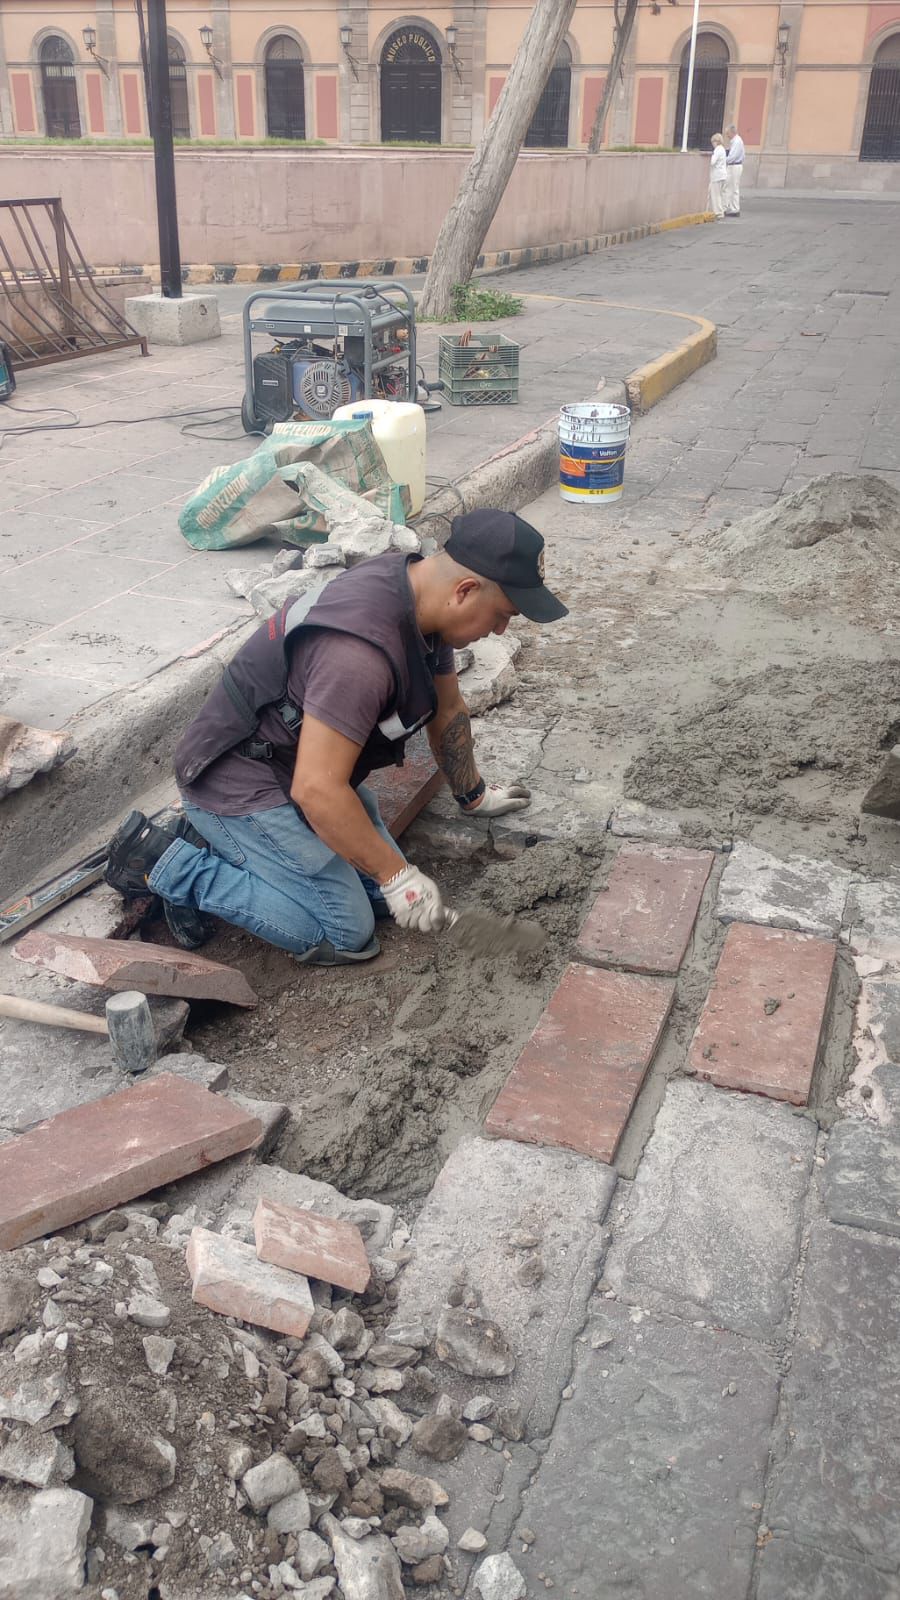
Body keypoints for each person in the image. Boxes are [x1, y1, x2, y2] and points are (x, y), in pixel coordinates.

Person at [105, 509, 568, 965]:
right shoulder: (358, 655)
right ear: (465, 591)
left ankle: (249, 850)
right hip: (235, 780)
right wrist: (397, 877)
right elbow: (317, 789)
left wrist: (473, 794)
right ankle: (168, 862)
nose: (502, 629)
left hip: (298, 766)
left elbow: (447, 711)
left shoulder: (421, 598)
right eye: (503, 615)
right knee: (347, 929)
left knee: (379, 890)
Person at [724, 123, 745, 217]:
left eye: (727, 133)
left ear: (732, 132)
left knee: (732, 187)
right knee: (732, 187)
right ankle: (733, 208)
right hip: (735, 165)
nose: (727, 136)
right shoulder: (736, 141)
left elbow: (733, 156)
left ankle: (733, 208)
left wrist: (724, 161)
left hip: (734, 166)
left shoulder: (736, 141)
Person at [708, 133, 727, 219]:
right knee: (720, 194)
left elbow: (712, 162)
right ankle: (721, 210)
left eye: (713, 142)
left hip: (717, 175)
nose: (712, 144)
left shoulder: (717, 150)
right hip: (723, 175)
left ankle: (718, 213)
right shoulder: (722, 149)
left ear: (716, 141)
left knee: (716, 195)